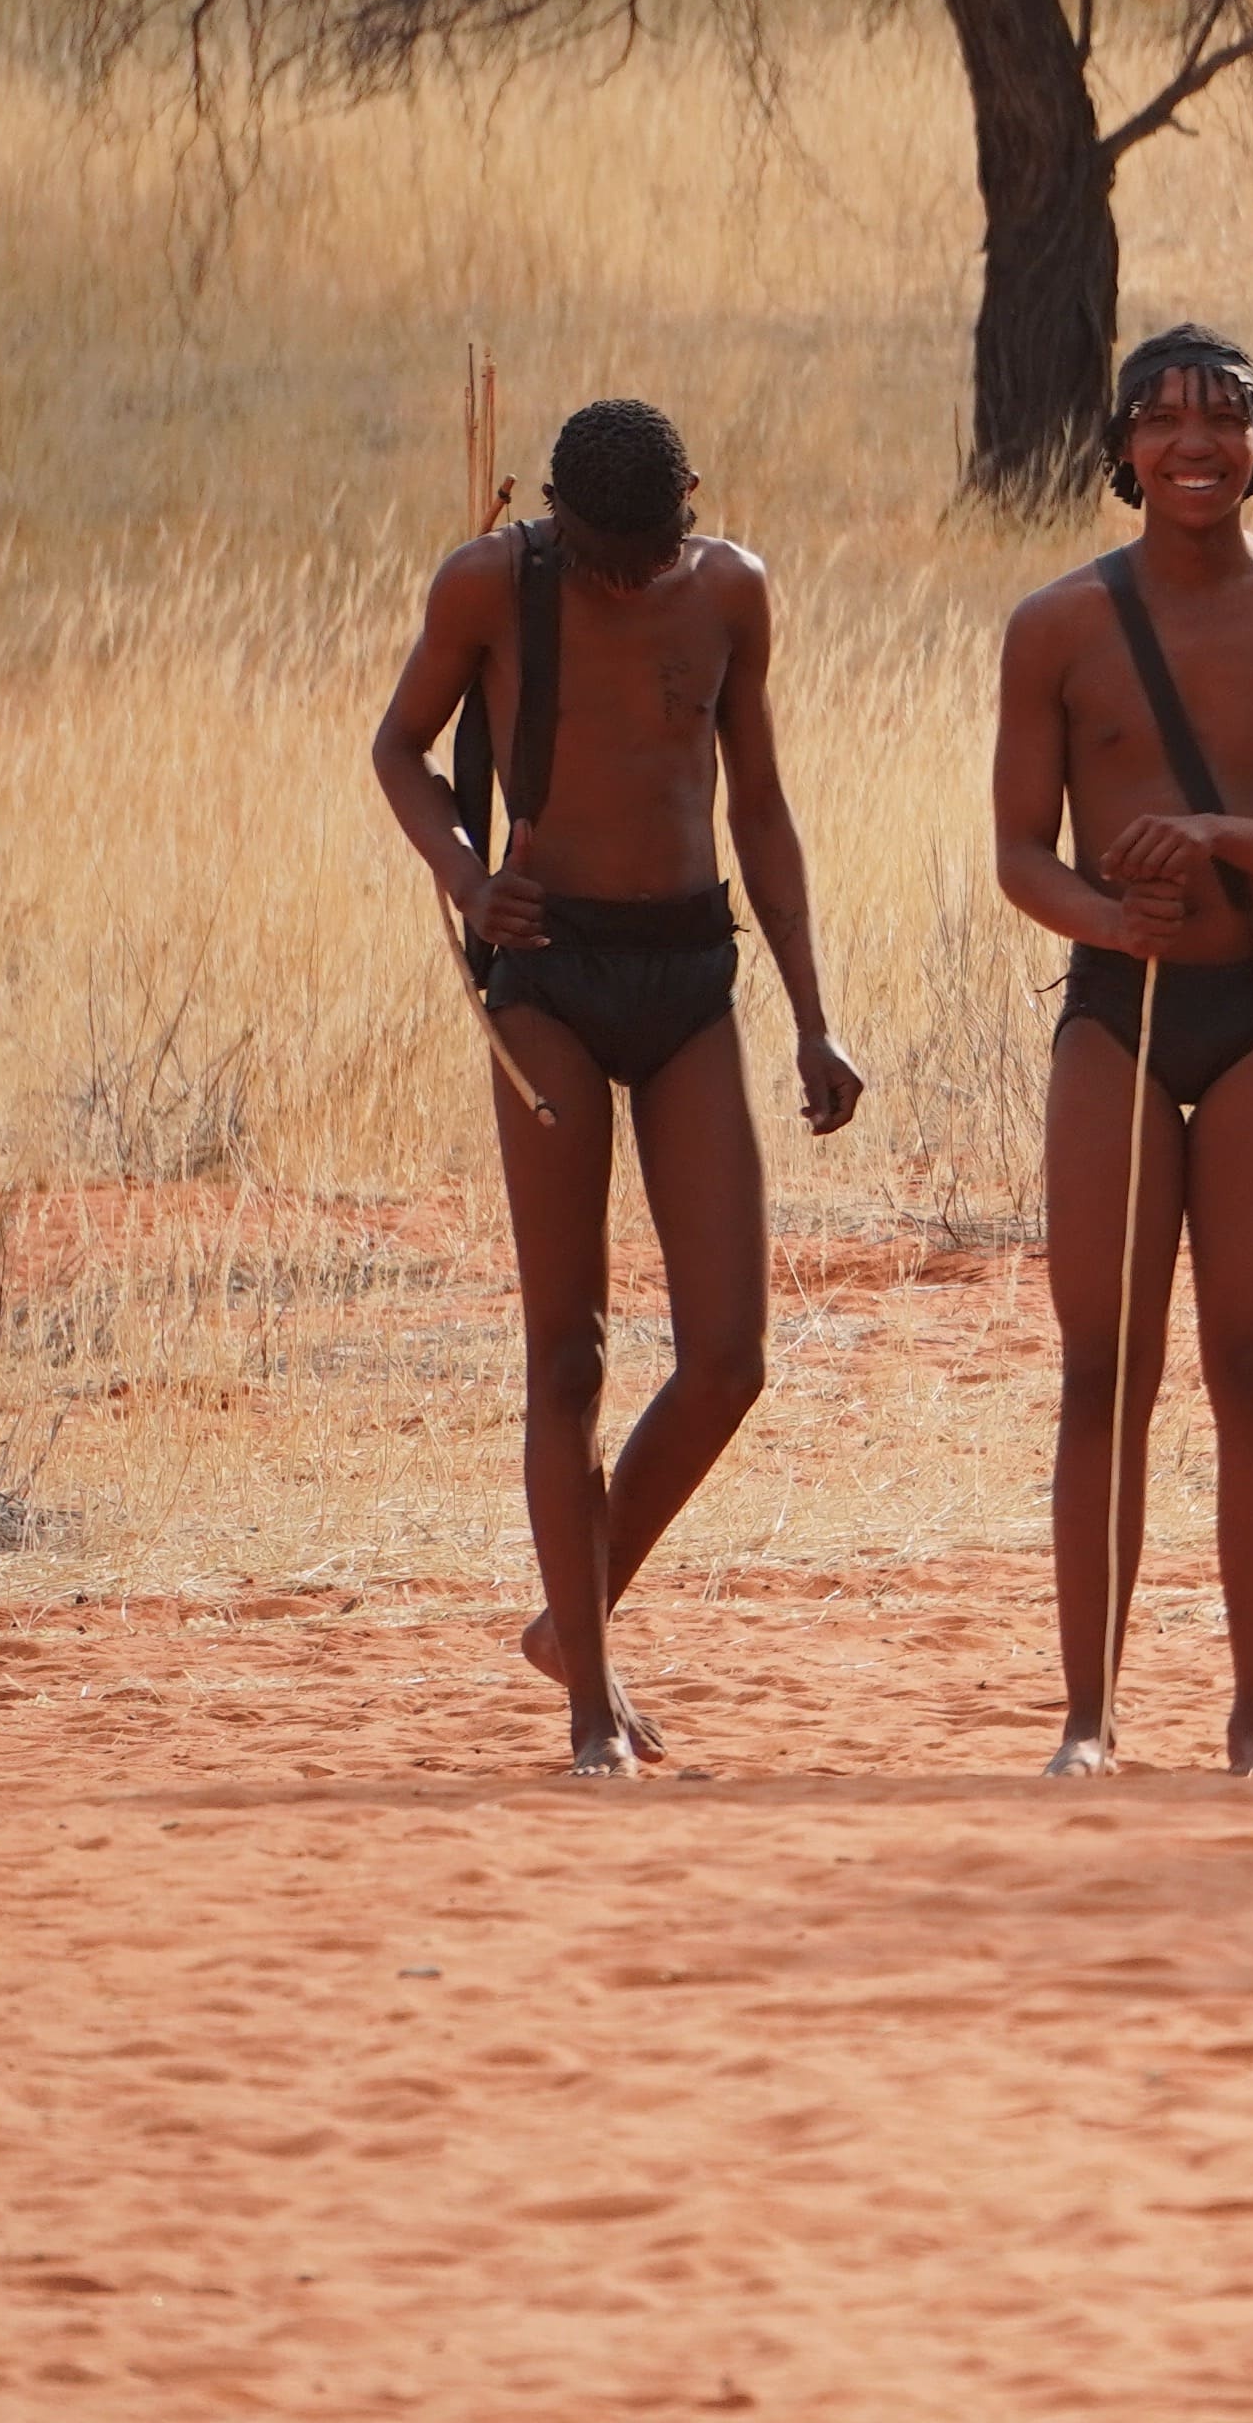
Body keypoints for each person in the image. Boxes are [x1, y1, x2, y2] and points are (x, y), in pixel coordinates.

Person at [366, 396, 866, 1775]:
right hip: (550, 979)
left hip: (690, 972)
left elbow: (757, 798)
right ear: (552, 520)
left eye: (651, 552)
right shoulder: (489, 582)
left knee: (727, 1359)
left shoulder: (733, 593)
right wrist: (468, 880)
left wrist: (816, 1018)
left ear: (692, 505)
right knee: (569, 1353)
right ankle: (590, 1702)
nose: (628, 578)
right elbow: (398, 749)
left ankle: (569, 1620)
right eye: (599, 556)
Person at [993, 326, 1253, 1777]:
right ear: (1122, 454)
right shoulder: (1056, 626)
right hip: (1117, 1016)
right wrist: (1109, 914)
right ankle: (1088, 1719)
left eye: (1222, 420)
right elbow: (1018, 854)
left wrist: (1219, 836)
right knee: (1104, 1365)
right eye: (1160, 422)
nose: (1192, 444)